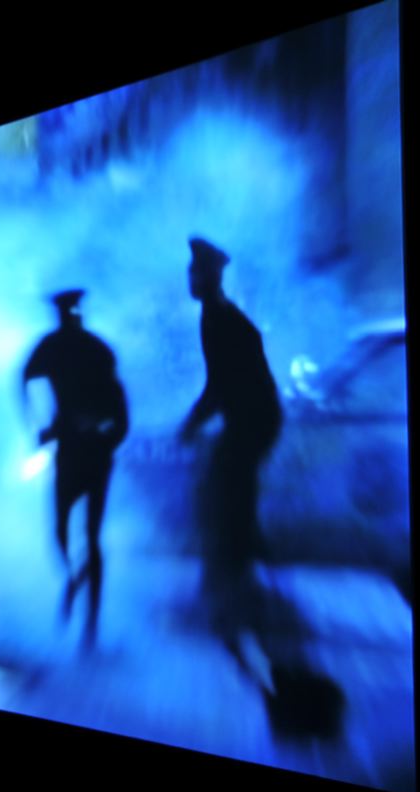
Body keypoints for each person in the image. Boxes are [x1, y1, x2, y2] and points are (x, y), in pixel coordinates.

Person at [178, 237, 282, 691]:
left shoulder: (219, 318)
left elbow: (218, 386)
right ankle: (241, 576)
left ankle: (233, 590)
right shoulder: (216, 314)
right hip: (254, 418)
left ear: (211, 278)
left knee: (225, 495)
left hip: (253, 419)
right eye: (190, 272)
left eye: (196, 273)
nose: (190, 280)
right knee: (229, 491)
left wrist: (190, 424)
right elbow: (219, 386)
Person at [23, 289, 128, 647]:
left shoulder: (94, 350)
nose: (69, 317)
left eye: (71, 311)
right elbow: (25, 379)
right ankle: (74, 580)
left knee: (88, 535)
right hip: (73, 451)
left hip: (89, 453)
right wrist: (39, 425)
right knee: (63, 532)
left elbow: (121, 412)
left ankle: (90, 624)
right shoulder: (56, 347)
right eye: (66, 312)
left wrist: (99, 434)